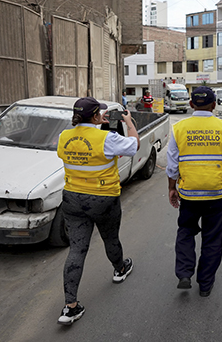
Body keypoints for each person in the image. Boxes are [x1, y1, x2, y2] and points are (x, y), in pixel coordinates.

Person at [56, 97, 140, 325]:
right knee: (110, 237)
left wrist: (94, 124)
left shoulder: (64, 136)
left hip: (73, 199)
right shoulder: (107, 138)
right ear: (95, 117)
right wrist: (130, 123)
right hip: (103, 199)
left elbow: (80, 146)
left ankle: (70, 306)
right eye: (99, 114)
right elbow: (134, 145)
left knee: (77, 249)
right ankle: (120, 269)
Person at [166, 86, 222, 297]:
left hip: (189, 194)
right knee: (213, 238)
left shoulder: (179, 128)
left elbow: (172, 165)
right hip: (217, 193)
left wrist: (172, 188)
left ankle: (184, 273)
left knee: (186, 231)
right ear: (214, 105)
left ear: (191, 105)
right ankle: (205, 285)